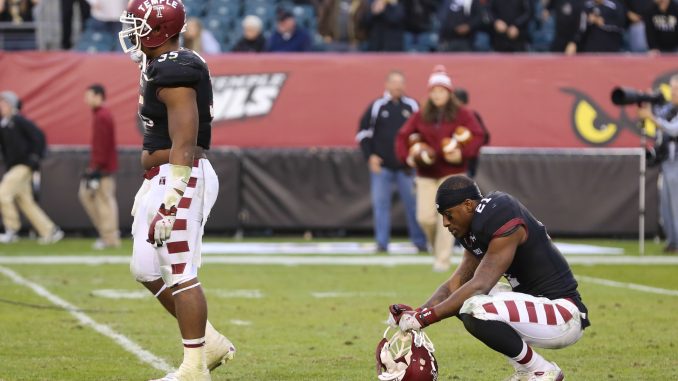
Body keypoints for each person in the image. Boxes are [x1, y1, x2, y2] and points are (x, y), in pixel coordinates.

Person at [119, 1, 235, 380]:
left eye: (137, 24)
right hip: (162, 174)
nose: (131, 31)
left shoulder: (176, 69)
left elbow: (186, 140)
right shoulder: (158, 64)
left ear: (159, 31)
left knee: (180, 271)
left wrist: (172, 200)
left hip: (181, 174)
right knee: (144, 267)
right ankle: (210, 341)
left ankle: (193, 368)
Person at [388, 175, 591, 380]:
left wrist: (425, 319)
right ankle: (526, 371)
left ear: (468, 205)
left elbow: (480, 286)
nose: (445, 223)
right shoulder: (475, 230)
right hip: (537, 309)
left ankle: (541, 370)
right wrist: (415, 313)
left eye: (449, 215)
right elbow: (455, 285)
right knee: (462, 299)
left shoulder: (498, 212)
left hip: (563, 314)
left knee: (475, 306)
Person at [395, 66, 485, 272]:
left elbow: (478, 135)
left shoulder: (463, 114)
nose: (437, 95)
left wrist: (463, 153)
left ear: (449, 92)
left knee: (448, 218)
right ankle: (436, 248)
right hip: (426, 174)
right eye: (434, 91)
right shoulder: (421, 114)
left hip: (452, 175)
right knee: (424, 217)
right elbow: (402, 136)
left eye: (441, 90)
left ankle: (442, 260)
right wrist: (406, 156)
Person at [356, 70, 428, 253]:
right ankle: (382, 243)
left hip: (406, 167)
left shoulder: (412, 105)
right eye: (394, 83)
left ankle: (419, 242)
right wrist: (369, 156)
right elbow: (363, 133)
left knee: (413, 205)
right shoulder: (377, 106)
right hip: (382, 166)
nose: (397, 86)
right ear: (386, 84)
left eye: (400, 83)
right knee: (381, 205)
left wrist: (416, 156)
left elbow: (422, 132)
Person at [0, 91, 64, 244]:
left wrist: (34, 158)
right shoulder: (4, 124)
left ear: (12, 105)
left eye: (3, 103)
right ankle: (50, 231)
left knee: (2, 194)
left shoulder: (19, 120)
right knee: (26, 202)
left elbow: (39, 136)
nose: (1, 106)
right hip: (14, 167)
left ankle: (11, 230)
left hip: (23, 166)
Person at [639, 74, 678, 253]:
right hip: (667, 162)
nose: (673, 93)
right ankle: (672, 240)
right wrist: (650, 102)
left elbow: (673, 129)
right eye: (672, 89)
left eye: (676, 89)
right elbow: (660, 116)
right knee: (666, 204)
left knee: (676, 203)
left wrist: (651, 117)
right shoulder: (671, 108)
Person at [79, 84, 120, 250]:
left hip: (102, 168)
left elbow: (102, 145)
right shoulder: (100, 115)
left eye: (89, 95)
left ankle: (110, 238)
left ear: (98, 96)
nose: (86, 99)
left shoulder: (102, 116)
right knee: (90, 196)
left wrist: (96, 167)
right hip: (100, 166)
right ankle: (107, 235)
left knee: (104, 201)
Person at [453, 87, 489, 178]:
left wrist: (467, 144)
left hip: (467, 161)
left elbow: (484, 137)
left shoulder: (471, 116)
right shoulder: (448, 117)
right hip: (454, 160)